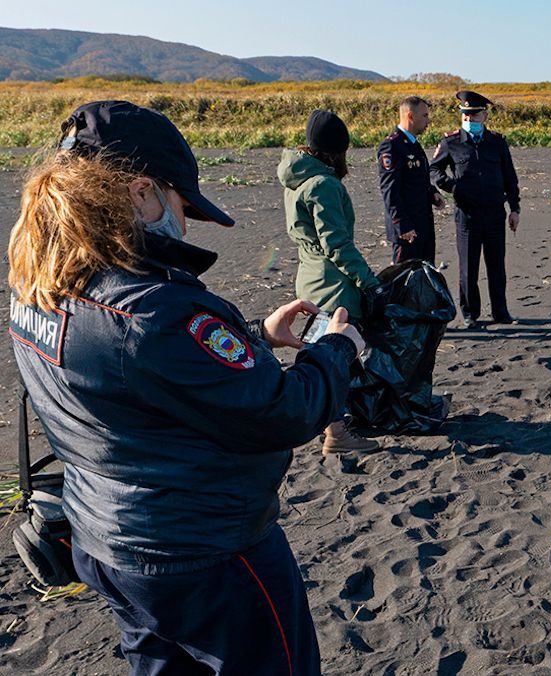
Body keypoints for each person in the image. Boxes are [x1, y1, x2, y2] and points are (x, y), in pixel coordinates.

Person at [7, 100, 365, 675]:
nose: (180, 214)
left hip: (107, 540)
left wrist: (252, 337)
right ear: (141, 193)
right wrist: (337, 349)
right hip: (201, 552)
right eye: (179, 201)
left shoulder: (39, 287)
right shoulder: (155, 311)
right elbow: (285, 411)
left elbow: (126, 374)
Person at [279, 109, 381, 452]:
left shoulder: (296, 181)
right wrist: (369, 281)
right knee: (336, 355)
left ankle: (335, 422)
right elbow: (336, 244)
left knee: (321, 352)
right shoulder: (324, 184)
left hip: (308, 277)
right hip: (333, 283)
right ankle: (336, 432)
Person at [430, 90, 521, 328]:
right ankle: (470, 314)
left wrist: (515, 208)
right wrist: (451, 187)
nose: (470, 120)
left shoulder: (497, 143)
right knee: (468, 267)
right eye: (466, 116)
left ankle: (501, 312)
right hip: (467, 215)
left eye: (474, 115)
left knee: (496, 266)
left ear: (485, 115)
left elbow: (510, 178)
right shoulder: (450, 142)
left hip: (494, 213)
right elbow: (434, 170)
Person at [377, 95, 445, 263]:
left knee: (424, 281)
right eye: (425, 115)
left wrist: (433, 194)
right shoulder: (392, 146)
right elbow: (390, 191)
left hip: (422, 227)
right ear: (410, 116)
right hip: (407, 233)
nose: (428, 121)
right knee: (403, 283)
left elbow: (418, 179)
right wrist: (402, 225)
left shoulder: (413, 143)